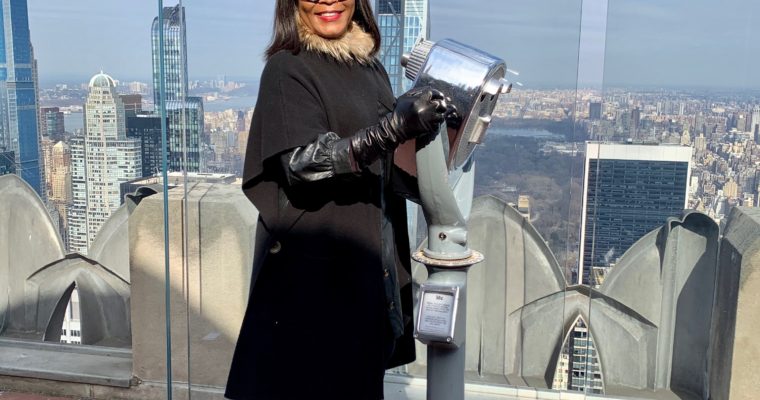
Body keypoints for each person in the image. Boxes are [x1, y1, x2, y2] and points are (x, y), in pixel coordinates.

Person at [225, 0, 447, 398]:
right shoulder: (288, 67)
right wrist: (392, 129)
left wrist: (436, 132)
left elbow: (385, 170)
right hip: (309, 301)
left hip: (365, 290)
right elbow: (302, 165)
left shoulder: (370, 68)